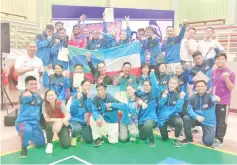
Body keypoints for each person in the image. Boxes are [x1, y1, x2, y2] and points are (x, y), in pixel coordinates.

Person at [182, 80, 221, 146]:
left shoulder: (210, 96)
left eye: (202, 86)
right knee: (186, 118)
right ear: (195, 88)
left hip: (208, 122)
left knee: (208, 142)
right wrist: (196, 116)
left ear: (206, 87)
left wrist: (217, 98)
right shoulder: (193, 97)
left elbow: (215, 99)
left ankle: (208, 135)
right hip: (197, 119)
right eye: (198, 86)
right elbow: (189, 109)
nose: (200, 88)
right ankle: (189, 138)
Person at [15, 76, 45, 158]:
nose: (34, 86)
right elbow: (25, 98)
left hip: (35, 124)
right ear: (26, 86)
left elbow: (42, 104)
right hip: (23, 122)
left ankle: (27, 135)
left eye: (35, 84)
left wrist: (43, 98)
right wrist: (29, 95)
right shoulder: (24, 94)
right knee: (27, 130)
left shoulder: (38, 96)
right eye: (31, 84)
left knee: (41, 143)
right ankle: (24, 148)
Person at [212, 53, 235, 148]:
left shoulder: (230, 73)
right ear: (215, 61)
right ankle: (214, 136)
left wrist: (226, 78)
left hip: (224, 101)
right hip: (214, 101)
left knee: (221, 121)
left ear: (225, 60)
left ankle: (219, 139)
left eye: (222, 59)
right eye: (218, 59)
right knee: (215, 119)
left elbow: (231, 87)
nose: (220, 61)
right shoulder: (214, 71)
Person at [157, 78, 185, 148]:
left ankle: (176, 138)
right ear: (168, 83)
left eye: (174, 83)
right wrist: (163, 98)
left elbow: (178, 109)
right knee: (164, 138)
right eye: (171, 83)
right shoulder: (163, 92)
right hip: (162, 117)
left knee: (179, 122)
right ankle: (165, 131)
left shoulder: (178, 95)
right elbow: (159, 106)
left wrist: (181, 99)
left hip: (172, 115)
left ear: (177, 85)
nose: (172, 85)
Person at [135, 69, 159, 147]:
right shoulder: (141, 95)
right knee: (142, 138)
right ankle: (148, 132)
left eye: (147, 85)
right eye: (144, 85)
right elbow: (133, 93)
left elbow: (155, 86)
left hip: (151, 118)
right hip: (141, 119)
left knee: (147, 125)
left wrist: (152, 73)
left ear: (151, 86)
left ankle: (152, 141)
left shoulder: (153, 95)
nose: (145, 87)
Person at [67, 80, 94, 146]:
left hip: (84, 122)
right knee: (77, 128)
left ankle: (80, 133)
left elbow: (90, 110)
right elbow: (71, 111)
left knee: (89, 140)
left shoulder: (90, 97)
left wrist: (89, 99)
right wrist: (77, 99)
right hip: (74, 120)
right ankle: (73, 137)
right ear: (81, 86)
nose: (87, 87)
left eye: (89, 85)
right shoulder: (74, 97)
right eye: (85, 85)